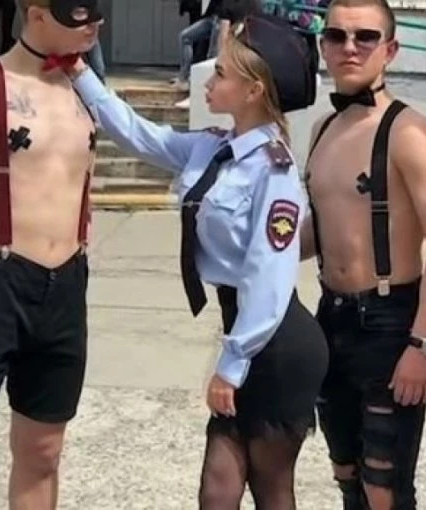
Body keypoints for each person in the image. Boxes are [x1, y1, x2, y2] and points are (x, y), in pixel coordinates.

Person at [69, 11, 327, 508]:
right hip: (244, 331)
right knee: (217, 490)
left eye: (222, 72)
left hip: (275, 345)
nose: (208, 78)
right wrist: (81, 74)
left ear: (253, 91)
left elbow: (270, 276)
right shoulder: (214, 149)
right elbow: (142, 136)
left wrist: (233, 362)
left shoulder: (274, 171)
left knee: (272, 490)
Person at [302, 1, 426, 508]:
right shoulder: (322, 129)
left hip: (389, 323)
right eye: (336, 36)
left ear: (391, 50)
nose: (349, 47)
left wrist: (424, 344)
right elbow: (320, 231)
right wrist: (253, 245)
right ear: (323, 45)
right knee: (346, 472)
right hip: (330, 317)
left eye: (365, 37)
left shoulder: (408, 132)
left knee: (385, 487)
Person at [0, 1, 102, 508]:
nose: (94, 24)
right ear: (37, 14)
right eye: (78, 14)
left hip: (65, 286)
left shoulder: (84, 90)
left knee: (44, 451)